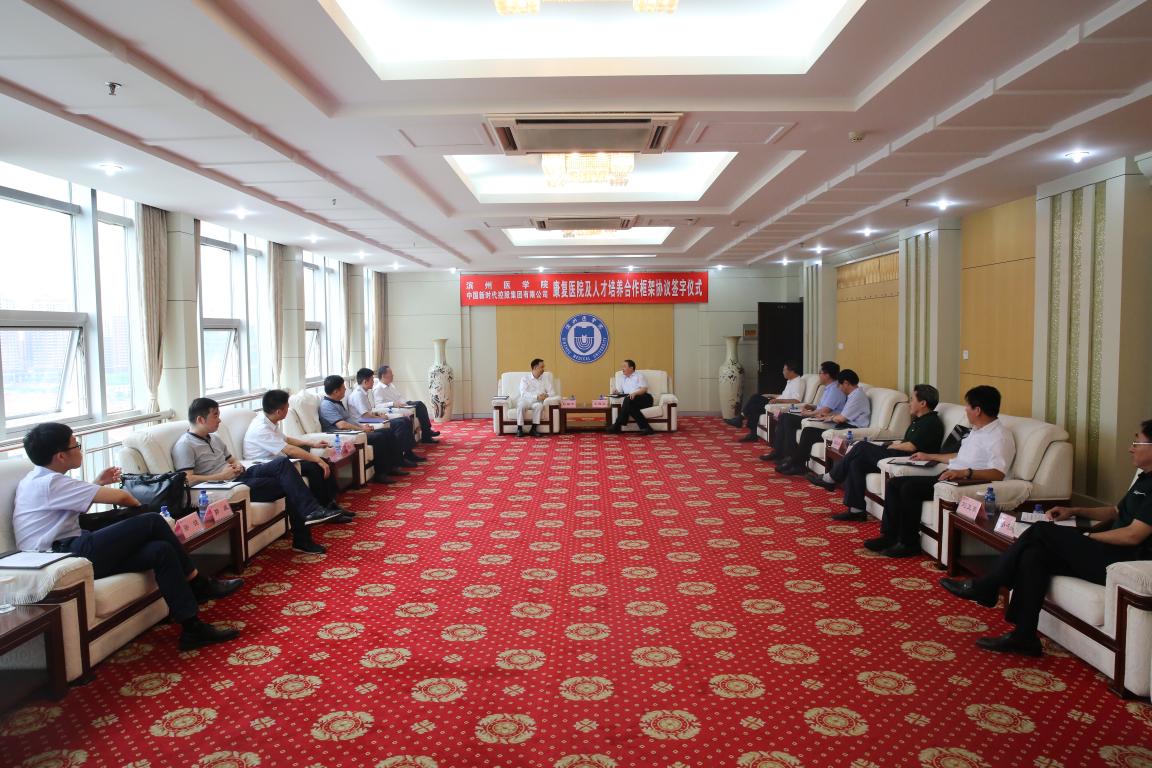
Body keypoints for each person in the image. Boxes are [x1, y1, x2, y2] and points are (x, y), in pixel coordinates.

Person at [14, 423, 242, 650]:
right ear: (61, 456)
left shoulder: (39, 480)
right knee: (152, 521)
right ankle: (198, 582)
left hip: (68, 550)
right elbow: (123, 498)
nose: (80, 449)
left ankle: (192, 628)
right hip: (63, 556)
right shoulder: (50, 483)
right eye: (76, 445)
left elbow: (70, 503)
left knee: (160, 550)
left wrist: (98, 484)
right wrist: (139, 511)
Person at [939, 421, 1152, 656]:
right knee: (1034, 555)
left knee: (1041, 530)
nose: (1131, 448)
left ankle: (988, 585)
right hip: (1109, 550)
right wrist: (1075, 510)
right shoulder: (1144, 478)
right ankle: (1024, 637)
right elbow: (1116, 512)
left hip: (1125, 562)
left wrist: (1089, 536)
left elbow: (1134, 535)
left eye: (1137, 442)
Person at [865, 385, 1015, 558]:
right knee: (894, 483)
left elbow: (997, 473)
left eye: (968, 406)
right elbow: (960, 456)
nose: (965, 410)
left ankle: (908, 543)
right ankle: (889, 536)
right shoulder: (976, 430)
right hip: (950, 475)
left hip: (966, 482)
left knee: (909, 489)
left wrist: (965, 473)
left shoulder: (1000, 437)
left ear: (978, 410)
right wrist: (930, 456)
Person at [172, 398, 333, 555]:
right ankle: (305, 533)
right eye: (215, 415)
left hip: (241, 474)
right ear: (200, 419)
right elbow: (187, 479)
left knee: (282, 464)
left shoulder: (214, 438)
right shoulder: (185, 445)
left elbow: (232, 459)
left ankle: (312, 511)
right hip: (228, 486)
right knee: (290, 484)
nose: (219, 420)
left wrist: (237, 465)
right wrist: (221, 475)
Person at [809, 384, 945, 522]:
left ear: (923, 403)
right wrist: (890, 445)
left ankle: (831, 478)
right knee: (856, 463)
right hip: (899, 454)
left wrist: (891, 445)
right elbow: (906, 442)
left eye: (912, 399)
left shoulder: (930, 422)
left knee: (861, 446)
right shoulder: (919, 420)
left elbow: (911, 447)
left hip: (909, 459)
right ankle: (856, 510)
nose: (910, 403)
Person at [243, 389, 354, 523]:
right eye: (287, 407)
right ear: (279, 411)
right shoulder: (261, 428)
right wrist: (317, 459)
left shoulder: (268, 420)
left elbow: (286, 439)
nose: (288, 409)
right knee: (316, 464)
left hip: (277, 462)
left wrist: (312, 444)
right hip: (263, 467)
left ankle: (329, 506)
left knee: (320, 464)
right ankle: (321, 510)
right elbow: (289, 449)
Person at [319, 374, 415, 481]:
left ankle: (394, 465)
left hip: (354, 430)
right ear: (336, 391)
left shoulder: (337, 402)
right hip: (344, 435)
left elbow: (349, 420)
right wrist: (361, 429)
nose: (345, 389)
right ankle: (380, 473)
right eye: (343, 387)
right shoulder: (327, 405)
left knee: (388, 432)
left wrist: (362, 426)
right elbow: (341, 425)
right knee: (378, 437)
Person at [777, 369, 870, 475]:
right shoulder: (854, 395)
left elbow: (841, 418)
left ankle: (796, 463)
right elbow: (843, 415)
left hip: (849, 430)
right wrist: (829, 416)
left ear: (846, 383)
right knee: (808, 431)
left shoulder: (857, 396)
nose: (839, 388)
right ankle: (796, 463)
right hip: (844, 426)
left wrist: (829, 418)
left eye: (840, 385)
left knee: (809, 432)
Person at [761, 361, 845, 462]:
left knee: (788, 419)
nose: (819, 375)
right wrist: (812, 407)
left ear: (827, 375)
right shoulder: (828, 388)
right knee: (784, 417)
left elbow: (825, 410)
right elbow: (823, 407)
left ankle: (787, 455)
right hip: (817, 415)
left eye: (820, 373)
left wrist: (809, 413)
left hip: (824, 420)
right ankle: (779, 452)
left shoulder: (835, 390)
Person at [348, 368, 426, 464]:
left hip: (368, 419)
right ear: (365, 381)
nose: (373, 382)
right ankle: (400, 458)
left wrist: (377, 414)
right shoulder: (358, 395)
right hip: (364, 422)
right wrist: (379, 418)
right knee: (400, 423)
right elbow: (365, 416)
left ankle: (408, 453)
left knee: (405, 420)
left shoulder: (363, 392)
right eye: (372, 380)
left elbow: (368, 411)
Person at [729, 361, 805, 442]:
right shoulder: (790, 381)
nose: (783, 372)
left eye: (784, 370)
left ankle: (740, 418)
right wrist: (770, 395)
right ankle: (752, 434)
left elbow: (796, 401)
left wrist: (777, 401)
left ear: (792, 371)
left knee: (755, 398)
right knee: (754, 406)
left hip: (780, 406)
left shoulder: (798, 382)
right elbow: (784, 396)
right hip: (777, 402)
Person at [374, 364, 440, 444]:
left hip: (402, 404)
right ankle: (427, 434)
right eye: (390, 373)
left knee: (420, 404)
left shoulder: (391, 385)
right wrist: (393, 403)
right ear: (383, 376)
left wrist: (406, 403)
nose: (393, 375)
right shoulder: (378, 389)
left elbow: (399, 397)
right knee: (419, 405)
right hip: (394, 408)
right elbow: (378, 405)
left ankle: (427, 432)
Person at [607, 359, 655, 436]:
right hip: (631, 400)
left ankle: (617, 425)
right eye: (622, 367)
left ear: (631, 368)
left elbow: (644, 389)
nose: (622, 368)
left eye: (624, 366)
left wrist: (635, 393)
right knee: (631, 407)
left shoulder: (639, 376)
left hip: (645, 398)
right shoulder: (622, 378)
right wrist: (616, 392)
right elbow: (621, 392)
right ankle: (646, 428)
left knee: (628, 399)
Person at [516, 358, 556, 437]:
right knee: (520, 406)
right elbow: (523, 393)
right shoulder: (525, 378)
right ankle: (519, 429)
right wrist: (536, 397)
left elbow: (552, 392)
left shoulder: (545, 378)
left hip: (537, 402)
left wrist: (547, 395)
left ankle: (533, 429)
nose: (543, 369)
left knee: (539, 406)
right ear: (535, 368)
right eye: (542, 367)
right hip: (526, 400)